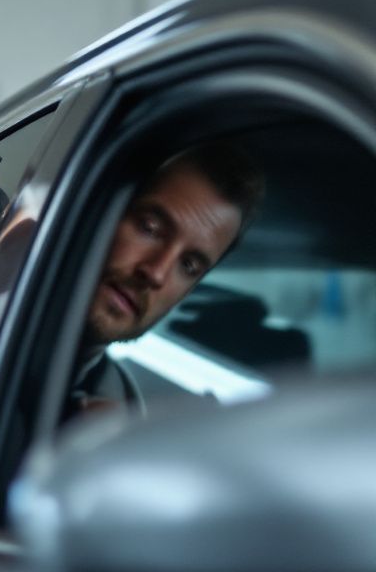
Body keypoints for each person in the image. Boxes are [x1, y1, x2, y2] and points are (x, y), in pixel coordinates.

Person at [66, 141, 264, 418]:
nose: (157, 273)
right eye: (150, 228)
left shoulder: (124, 402)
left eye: (189, 265)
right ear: (102, 210)